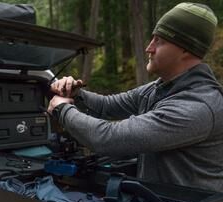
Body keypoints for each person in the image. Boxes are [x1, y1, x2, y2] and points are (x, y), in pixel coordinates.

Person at [47, 2, 223, 192]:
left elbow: (109, 139)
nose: (149, 48)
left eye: (160, 41)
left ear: (185, 49)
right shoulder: (161, 88)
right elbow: (107, 105)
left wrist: (62, 109)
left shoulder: (198, 106)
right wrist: (76, 94)